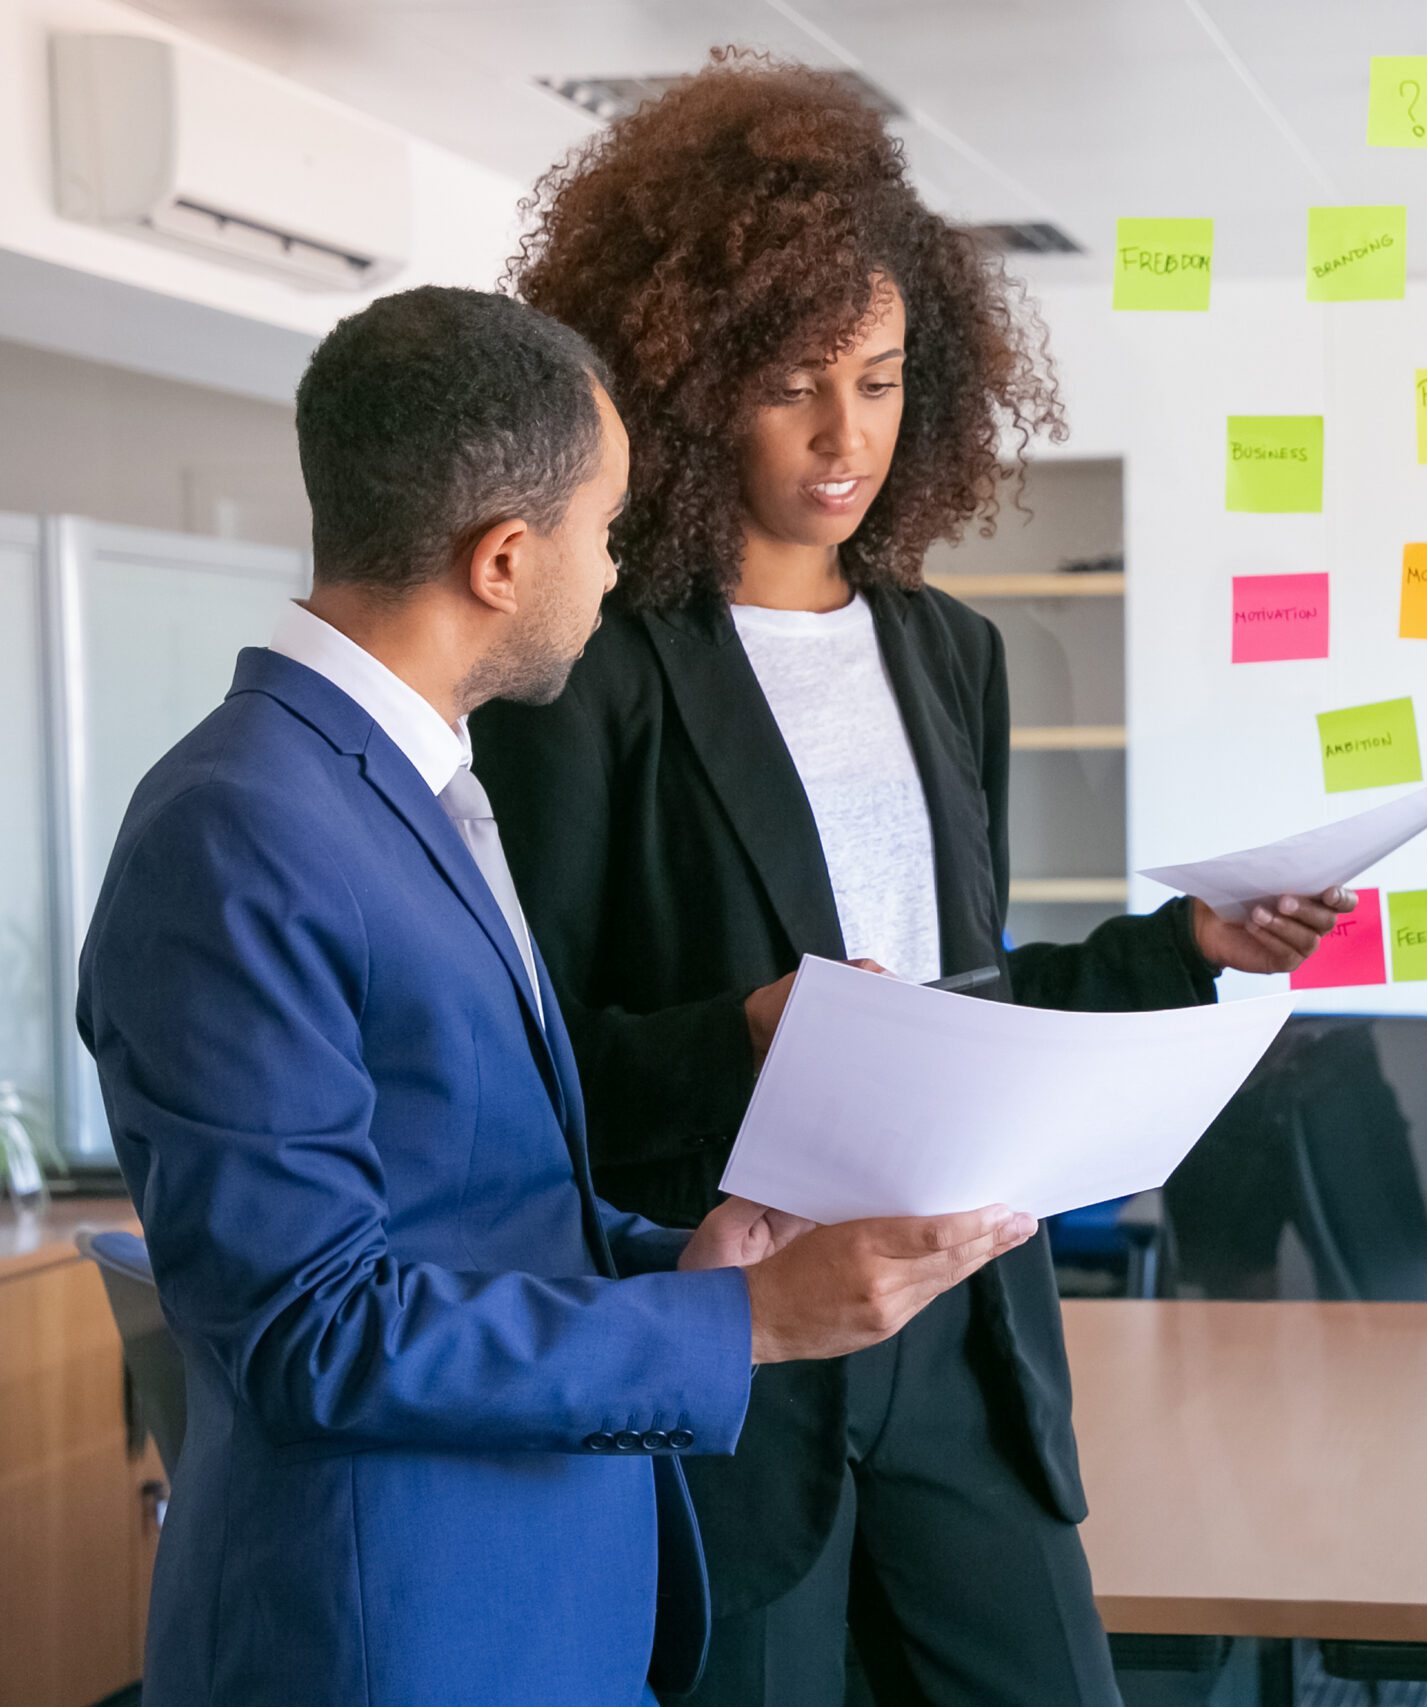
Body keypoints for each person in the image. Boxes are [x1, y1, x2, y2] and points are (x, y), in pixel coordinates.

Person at [470, 55, 1351, 1706]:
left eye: (879, 382)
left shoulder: (951, 651)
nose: (842, 436)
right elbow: (526, 1068)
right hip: (739, 1333)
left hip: (965, 1315)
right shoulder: (590, 675)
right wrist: (744, 1027)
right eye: (793, 382)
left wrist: (1189, 947)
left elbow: (968, 999)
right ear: (684, 381)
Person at [74, 285, 1036, 1707]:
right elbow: (309, 1334)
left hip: (537, 1597)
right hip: (392, 1636)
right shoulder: (239, 826)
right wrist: (748, 1330)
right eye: (606, 528)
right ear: (505, 560)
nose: (619, 566)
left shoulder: (407, 788)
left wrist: (686, 1265)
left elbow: (471, 1201)